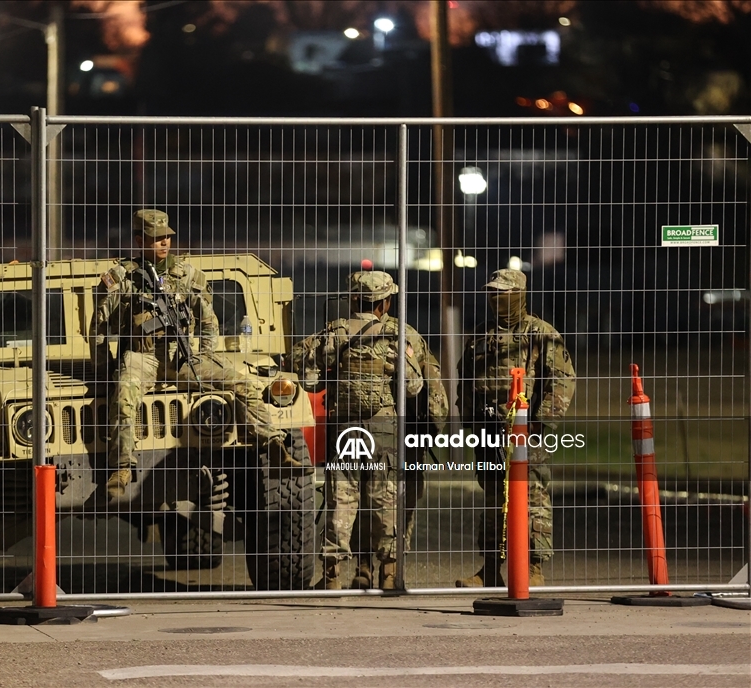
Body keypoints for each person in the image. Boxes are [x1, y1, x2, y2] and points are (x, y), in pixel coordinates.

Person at [89, 209, 297, 499]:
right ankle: (122, 467)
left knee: (244, 383)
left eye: (167, 237)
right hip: (141, 357)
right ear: (139, 240)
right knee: (123, 395)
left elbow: (209, 321)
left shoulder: (187, 275)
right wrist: (104, 370)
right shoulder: (122, 278)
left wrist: (207, 355)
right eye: (156, 238)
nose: (164, 243)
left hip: (181, 358)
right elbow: (98, 328)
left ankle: (273, 444)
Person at [290, 270, 424, 590]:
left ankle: (332, 575)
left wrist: (332, 378)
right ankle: (389, 573)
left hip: (346, 428)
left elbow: (307, 377)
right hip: (384, 428)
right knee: (386, 499)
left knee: (341, 499)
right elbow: (414, 386)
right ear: (385, 303)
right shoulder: (397, 335)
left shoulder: (334, 333)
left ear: (353, 300)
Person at [455, 268, 576, 587]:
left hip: (526, 430)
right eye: (492, 293)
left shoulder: (541, 333)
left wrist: (541, 422)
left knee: (532, 496)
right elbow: (466, 381)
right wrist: (470, 422)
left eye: (503, 293)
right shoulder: (480, 336)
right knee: (494, 498)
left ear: (519, 295)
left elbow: (562, 380)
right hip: (488, 430)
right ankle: (490, 568)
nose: (496, 299)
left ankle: (533, 567)